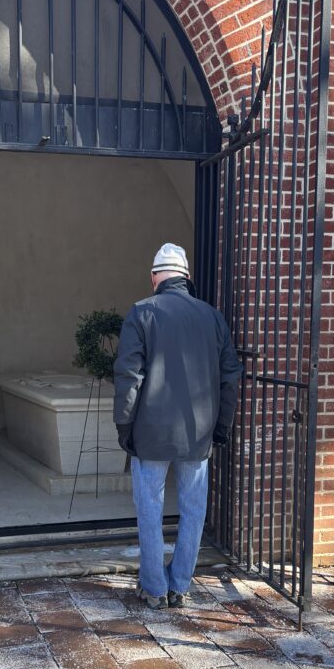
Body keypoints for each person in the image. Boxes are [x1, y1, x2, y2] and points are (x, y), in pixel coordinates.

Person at [113, 242, 242, 609]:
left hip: (149, 432)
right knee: (193, 508)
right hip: (198, 432)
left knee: (149, 509)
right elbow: (230, 375)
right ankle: (179, 584)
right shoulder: (212, 317)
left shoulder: (141, 313)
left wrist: (124, 425)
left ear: (155, 277)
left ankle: (153, 587)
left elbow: (128, 375)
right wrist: (222, 426)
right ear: (186, 278)